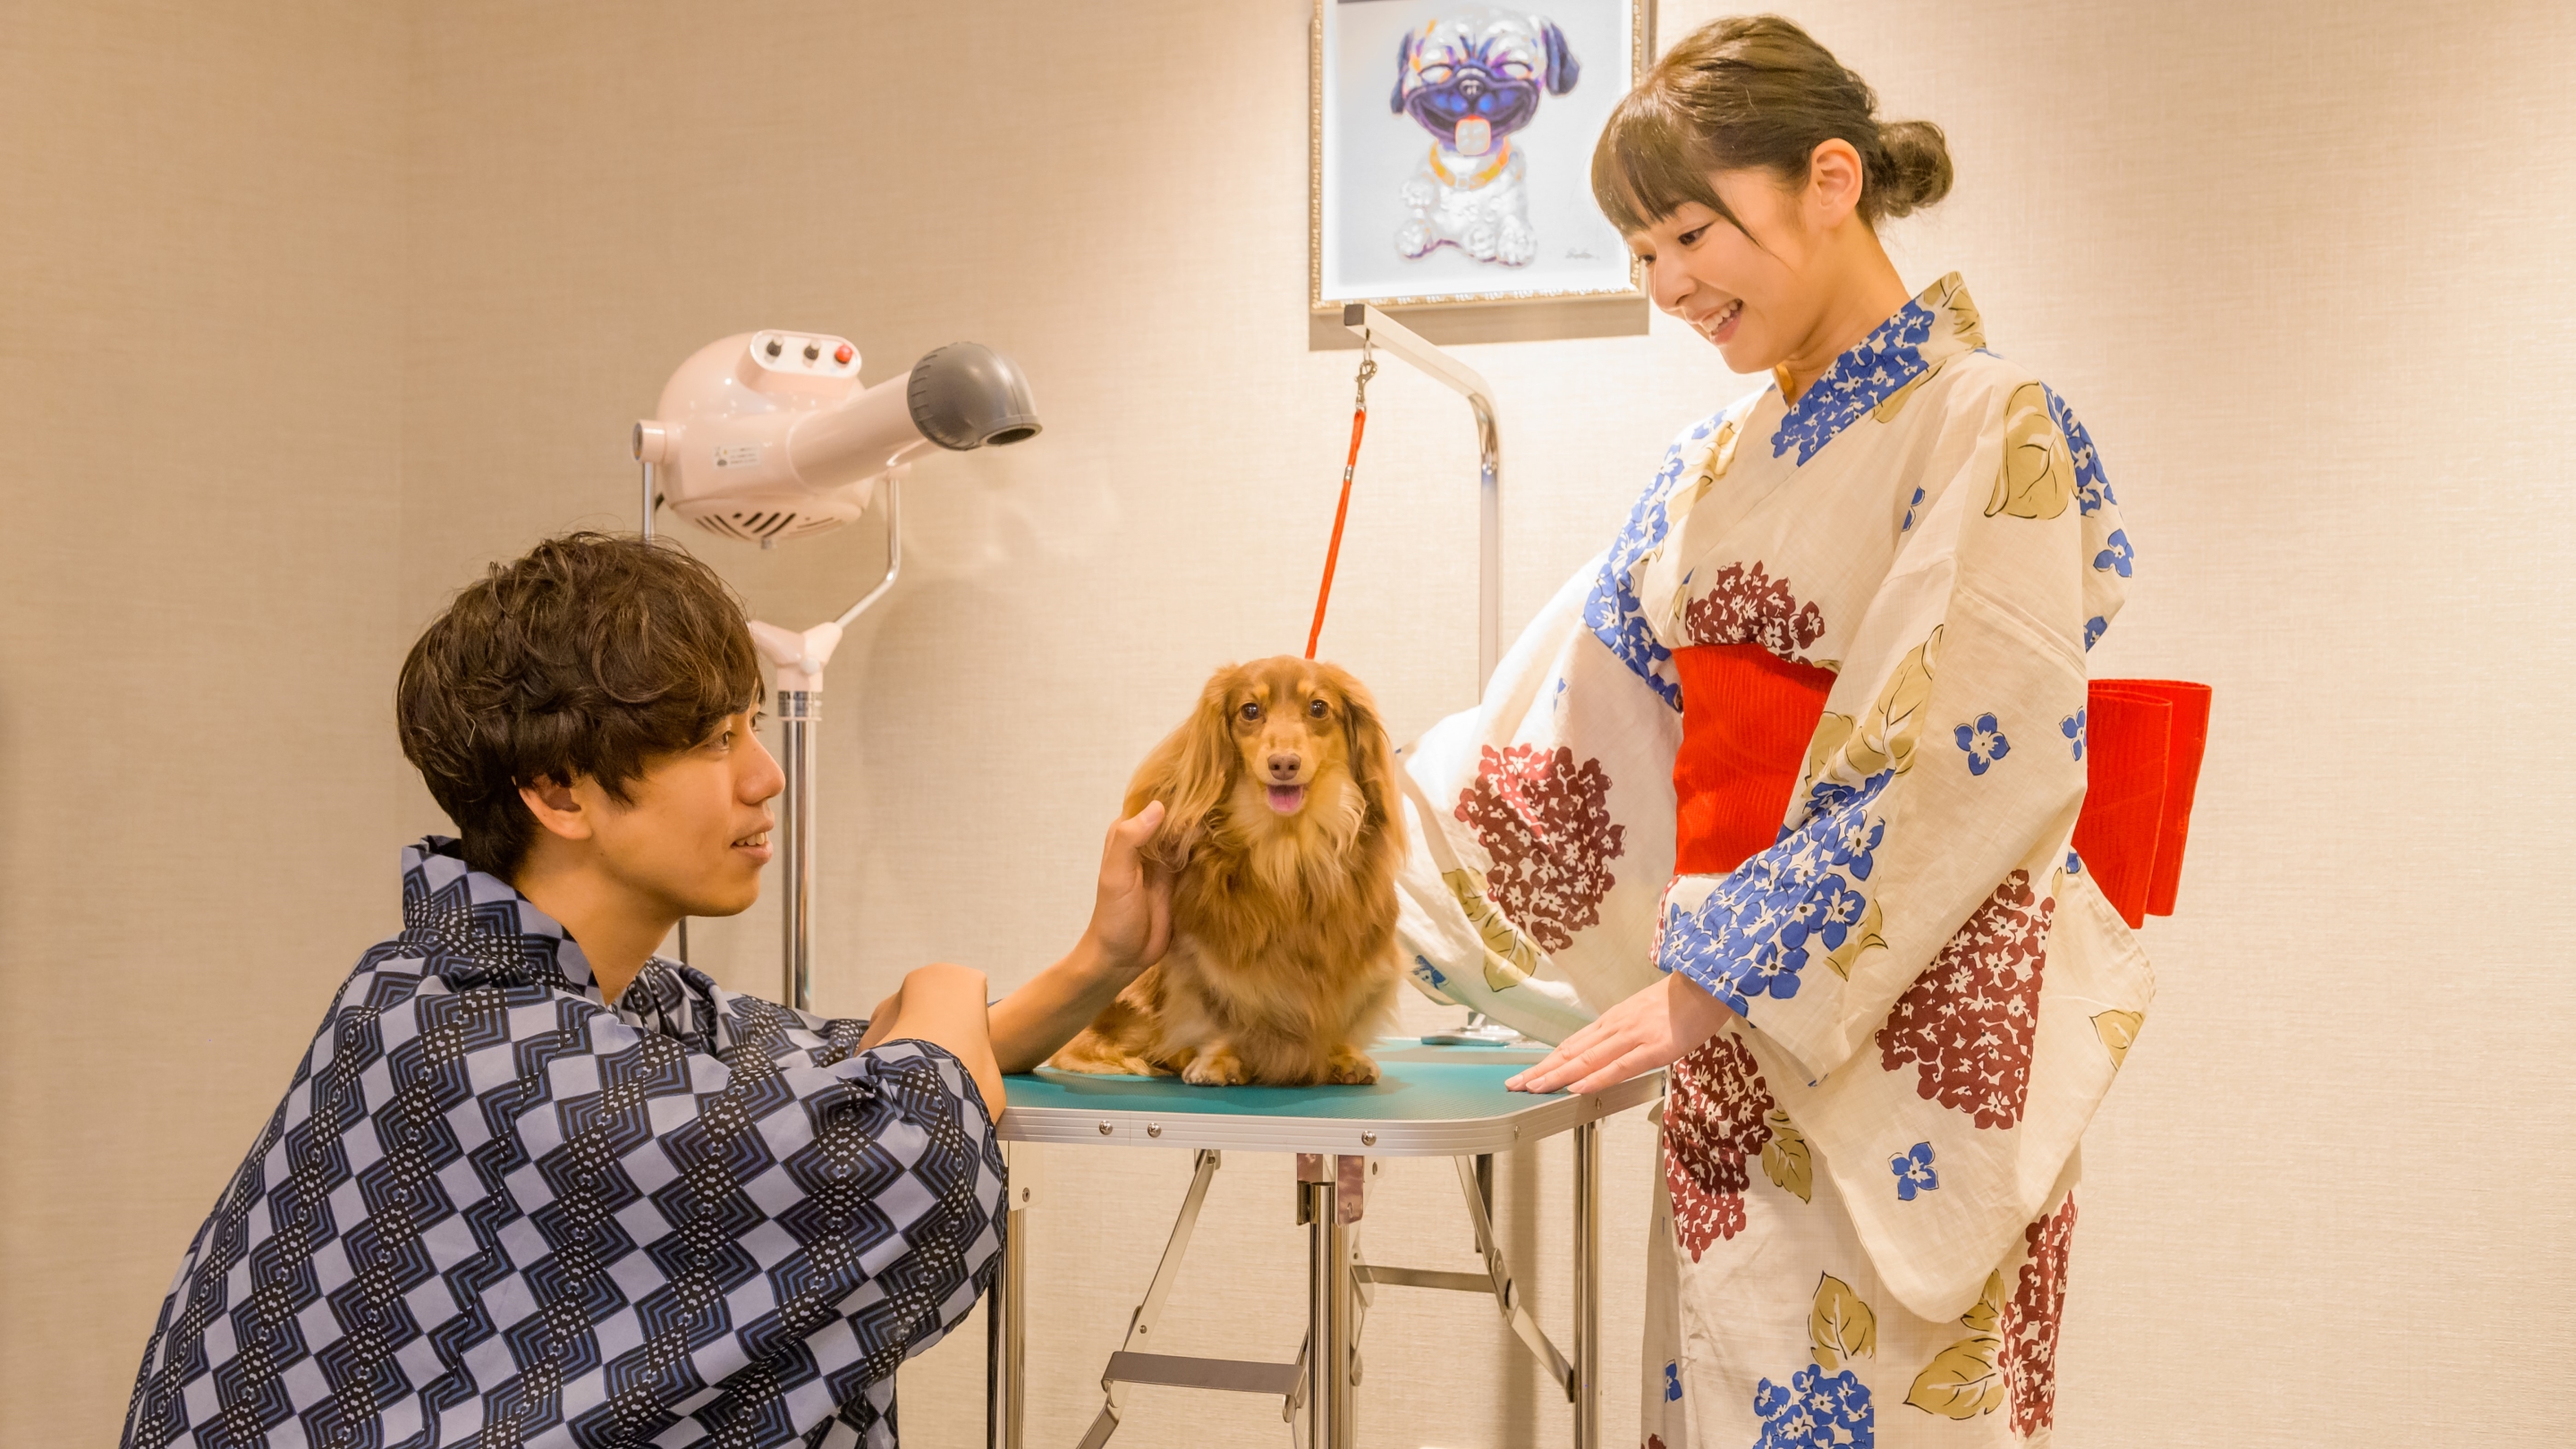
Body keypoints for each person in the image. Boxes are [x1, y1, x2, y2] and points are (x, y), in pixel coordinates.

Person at [1389, 17, 2148, 1447]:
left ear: (1830, 181)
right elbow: (1562, 744)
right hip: (1731, 1044)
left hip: (1901, 1041)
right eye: (1642, 252)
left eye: (1691, 233)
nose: (1669, 284)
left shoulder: (1992, 420)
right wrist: (1333, 827)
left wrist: (1727, 972)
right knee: (1721, 1390)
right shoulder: (1706, 467)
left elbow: (1961, 753)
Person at [119, 533, 1170, 1449]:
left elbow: (877, 1067)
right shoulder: (467, 1046)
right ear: (559, 791)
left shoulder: (592, 1002)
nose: (765, 776)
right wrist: (942, 981)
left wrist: (1105, 959)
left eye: (751, 726)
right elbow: (915, 1154)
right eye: (715, 741)